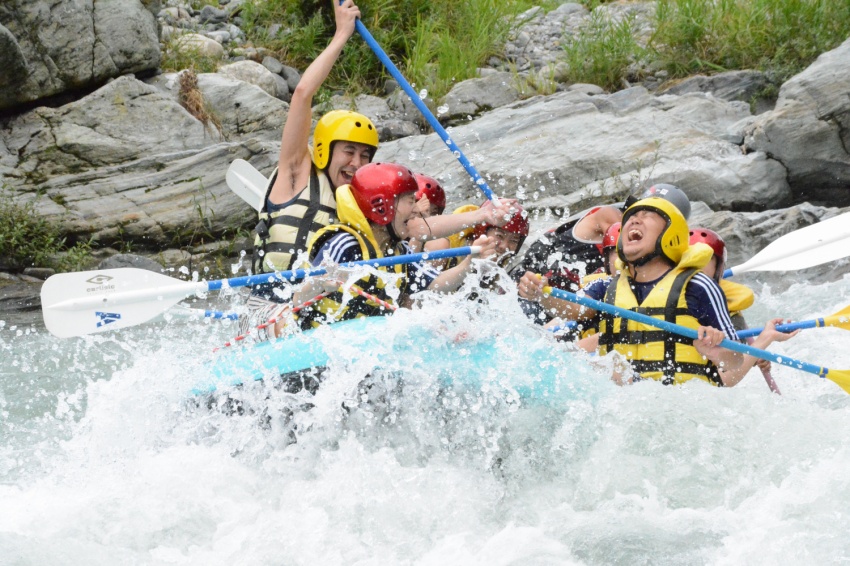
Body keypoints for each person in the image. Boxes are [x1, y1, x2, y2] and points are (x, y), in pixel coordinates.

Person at [252, 0, 379, 276]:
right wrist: (342, 34)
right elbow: (302, 94)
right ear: (325, 151)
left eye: (365, 155)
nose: (357, 163)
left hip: (323, 308)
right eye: (349, 151)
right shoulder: (296, 172)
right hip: (267, 304)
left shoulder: (361, 202)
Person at [293, 162, 499, 329]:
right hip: (321, 346)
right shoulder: (345, 244)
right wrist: (320, 282)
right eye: (411, 201)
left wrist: (469, 264)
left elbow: (435, 285)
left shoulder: (399, 251)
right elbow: (298, 299)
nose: (416, 210)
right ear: (382, 206)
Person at [570, 196, 744, 385]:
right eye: (631, 216)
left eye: (647, 216)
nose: (635, 220)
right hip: (621, 401)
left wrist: (715, 351)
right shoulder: (605, 286)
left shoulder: (698, 286)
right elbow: (569, 307)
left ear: (669, 234)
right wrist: (541, 293)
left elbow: (736, 359)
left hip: (679, 399)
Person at [516, 183, 690, 324]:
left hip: (565, 300)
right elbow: (623, 254)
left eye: (651, 216)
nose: (638, 220)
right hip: (530, 282)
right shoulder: (611, 217)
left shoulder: (605, 285)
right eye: (641, 212)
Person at [689, 227, 794, 388]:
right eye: (687, 259)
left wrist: (761, 343)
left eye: (703, 260)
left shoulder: (728, 313)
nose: (693, 265)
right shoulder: (657, 298)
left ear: (717, 269)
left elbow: (727, 377)